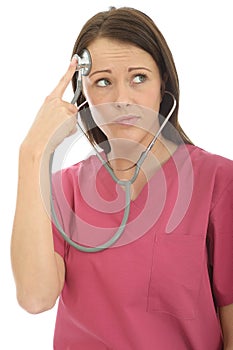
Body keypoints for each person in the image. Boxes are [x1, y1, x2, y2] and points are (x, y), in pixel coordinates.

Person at [11, 6, 233, 350]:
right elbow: (35, 298)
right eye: (103, 82)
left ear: (164, 86)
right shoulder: (63, 189)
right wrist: (31, 154)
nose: (121, 99)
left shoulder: (219, 181)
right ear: (82, 96)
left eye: (139, 78)